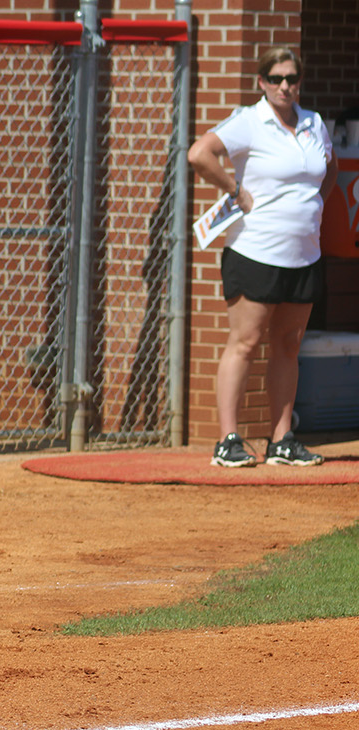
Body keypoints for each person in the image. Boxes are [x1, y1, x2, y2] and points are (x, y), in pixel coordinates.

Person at [187, 47, 337, 467]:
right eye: (276, 79)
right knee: (246, 342)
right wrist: (235, 192)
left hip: (305, 253)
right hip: (255, 252)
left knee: (289, 345)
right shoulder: (250, 122)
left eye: (291, 78)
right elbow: (199, 154)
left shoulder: (314, 123)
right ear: (262, 82)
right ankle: (227, 441)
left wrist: (314, 208)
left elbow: (331, 169)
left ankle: (282, 440)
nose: (285, 86)